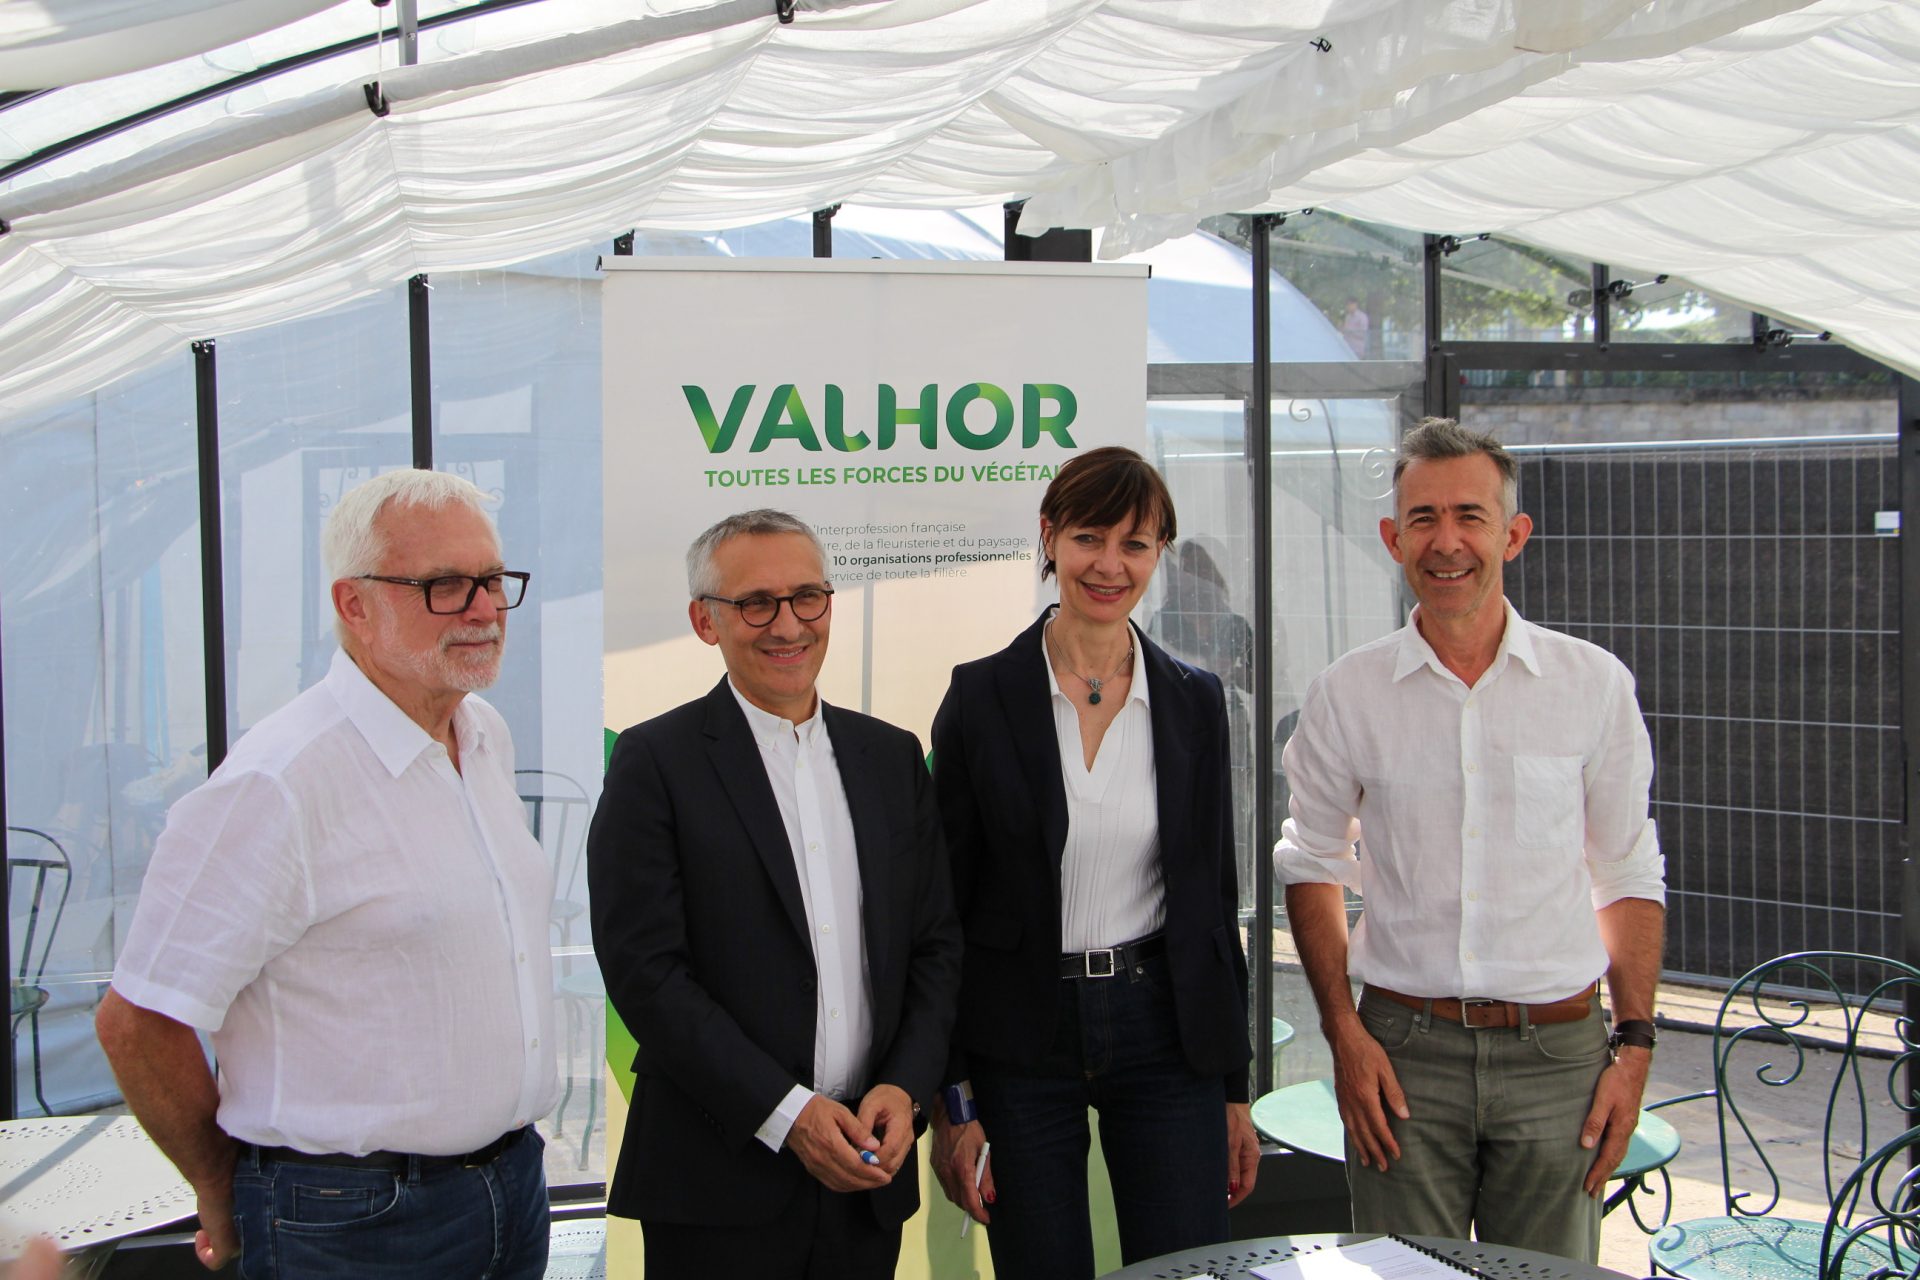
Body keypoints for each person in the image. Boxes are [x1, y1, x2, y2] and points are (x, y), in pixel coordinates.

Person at [95, 469, 559, 1278]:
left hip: (511, 1188)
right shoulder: (279, 782)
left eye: (491, 580)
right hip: (352, 1222)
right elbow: (136, 1022)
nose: (484, 609)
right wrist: (219, 1187)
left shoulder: (482, 733)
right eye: (445, 585)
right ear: (355, 605)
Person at [1274, 418, 1665, 1262]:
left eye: (1470, 517)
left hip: (1561, 1060)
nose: (1446, 542)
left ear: (1513, 535)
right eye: (1423, 518)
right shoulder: (1348, 694)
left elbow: (1627, 870)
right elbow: (1309, 861)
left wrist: (1634, 1048)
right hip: (1402, 1058)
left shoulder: (1592, 685)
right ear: (1393, 539)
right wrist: (1343, 1033)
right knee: (1405, 1275)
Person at [587, 509, 962, 1280]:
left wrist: (905, 1086)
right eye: (756, 603)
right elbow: (645, 973)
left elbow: (935, 946)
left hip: (867, 1169)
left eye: (806, 597)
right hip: (716, 1179)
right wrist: (786, 1115)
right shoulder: (654, 762)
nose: (788, 624)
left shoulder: (891, 758)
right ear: (706, 621)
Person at [927, 446, 1258, 1280]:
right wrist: (953, 1099)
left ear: (1159, 554)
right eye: (1088, 538)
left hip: (1165, 1025)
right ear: (1049, 537)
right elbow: (942, 912)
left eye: (1135, 544)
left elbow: (1214, 904)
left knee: (1184, 1270)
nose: (1110, 565)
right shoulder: (980, 698)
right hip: (1020, 1036)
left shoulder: (1195, 701)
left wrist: (1233, 1088)